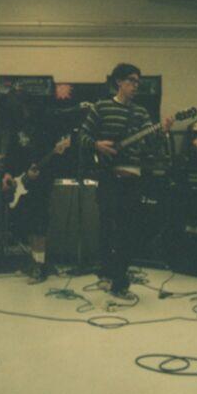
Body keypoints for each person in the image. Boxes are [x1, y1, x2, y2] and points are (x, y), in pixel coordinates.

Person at [79, 63, 173, 299]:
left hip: (132, 180)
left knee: (128, 231)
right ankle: (106, 274)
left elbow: (151, 146)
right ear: (119, 82)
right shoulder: (101, 108)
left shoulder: (141, 113)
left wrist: (163, 131)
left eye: (138, 82)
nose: (135, 85)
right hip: (108, 177)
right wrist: (97, 145)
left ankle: (120, 281)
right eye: (131, 80)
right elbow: (82, 136)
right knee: (107, 229)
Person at [1, 94, 57, 284]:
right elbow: (11, 154)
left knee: (39, 225)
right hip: (22, 183)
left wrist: (39, 173)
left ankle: (40, 267)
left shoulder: (44, 129)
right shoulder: (18, 129)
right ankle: (34, 262)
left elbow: (51, 158)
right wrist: (7, 173)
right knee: (29, 225)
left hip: (41, 184)